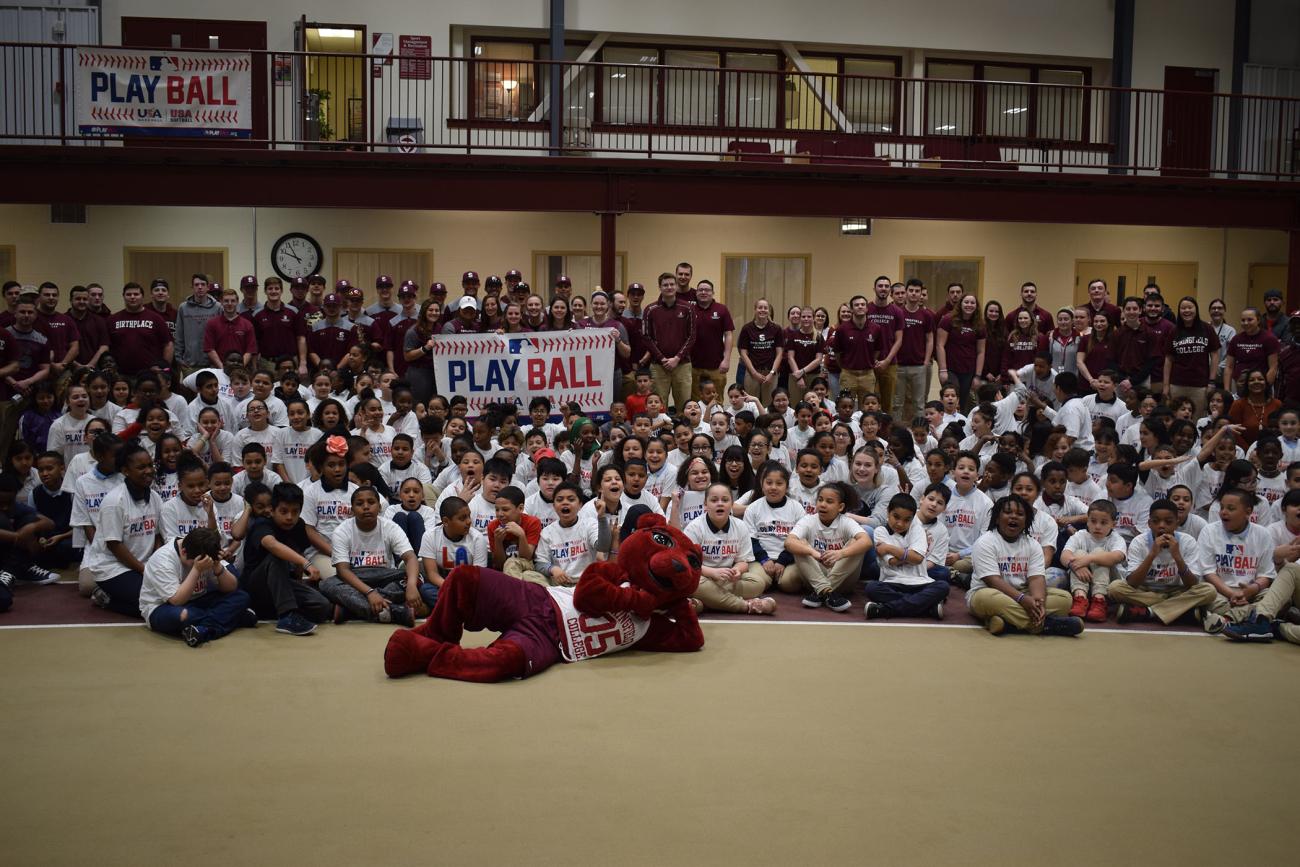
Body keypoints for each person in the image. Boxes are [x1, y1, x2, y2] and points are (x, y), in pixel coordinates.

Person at [967, 494, 1082, 636]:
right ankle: (1046, 625)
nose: (1014, 517)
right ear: (997, 518)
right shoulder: (985, 542)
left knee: (1065, 599)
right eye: (1008, 512)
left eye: (1020, 514)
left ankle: (1008, 624)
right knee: (986, 599)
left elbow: (1036, 578)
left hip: (1024, 591)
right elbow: (993, 581)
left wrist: (1038, 601)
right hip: (990, 591)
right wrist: (1022, 600)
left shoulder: (1033, 545)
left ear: (1027, 520)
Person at [320, 486, 430, 626]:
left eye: (371, 502)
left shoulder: (390, 527)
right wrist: (369, 593)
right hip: (356, 578)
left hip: (385, 576)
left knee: (417, 577)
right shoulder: (341, 531)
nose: (366, 507)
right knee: (327, 585)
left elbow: (410, 557)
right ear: (352, 510)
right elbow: (343, 571)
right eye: (360, 504)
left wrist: (411, 585)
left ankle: (349, 609)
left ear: (379, 507)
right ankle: (395, 612)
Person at [83, 444, 163, 617]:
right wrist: (143, 570)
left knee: (168, 594)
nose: (149, 470)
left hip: (144, 565)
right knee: (151, 601)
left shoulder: (155, 498)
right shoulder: (114, 501)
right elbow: (114, 545)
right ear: (126, 471)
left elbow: (157, 535)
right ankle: (106, 598)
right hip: (113, 567)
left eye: (150, 465)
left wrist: (156, 564)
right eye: (141, 467)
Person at [1108, 498, 1216, 625]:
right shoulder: (1139, 542)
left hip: (1178, 591)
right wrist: (1152, 554)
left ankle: (1149, 612)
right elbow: (1132, 583)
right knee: (1114, 588)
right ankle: (1181, 611)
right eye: (1156, 521)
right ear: (1149, 524)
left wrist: (1177, 556)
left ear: (1177, 523)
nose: (1162, 526)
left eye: (1168, 522)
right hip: (1146, 591)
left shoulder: (1188, 542)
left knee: (1209, 591)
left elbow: (1192, 584)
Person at [139, 527, 251, 647]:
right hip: (162, 607)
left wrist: (217, 566)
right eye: (195, 563)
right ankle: (228, 617)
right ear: (184, 552)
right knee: (184, 615)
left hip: (199, 600)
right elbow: (176, 601)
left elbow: (231, 587)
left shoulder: (205, 550)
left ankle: (204, 630)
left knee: (242, 596)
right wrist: (196, 569)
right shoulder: (163, 560)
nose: (204, 566)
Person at [684, 482, 775, 615]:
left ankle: (707, 601)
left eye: (725, 500)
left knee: (758, 583)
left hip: (726, 580)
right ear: (705, 505)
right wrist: (712, 573)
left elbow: (743, 561)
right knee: (694, 583)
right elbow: (689, 565)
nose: (720, 503)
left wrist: (736, 571)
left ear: (732, 504)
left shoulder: (740, 526)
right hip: (702, 577)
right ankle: (746, 605)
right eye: (714, 500)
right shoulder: (694, 528)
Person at [782, 481, 873, 613]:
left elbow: (867, 542)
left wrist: (841, 553)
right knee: (799, 543)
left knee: (857, 542)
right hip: (815, 574)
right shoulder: (808, 520)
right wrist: (813, 553)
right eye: (820, 500)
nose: (823, 504)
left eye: (829, 501)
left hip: (843, 580)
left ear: (840, 507)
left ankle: (821, 591)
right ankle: (827, 592)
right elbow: (788, 543)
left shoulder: (846, 521)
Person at [1197, 488, 1276, 635]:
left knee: (1277, 598)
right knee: (1205, 593)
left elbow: (1267, 574)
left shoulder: (1263, 534)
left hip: (1252, 592)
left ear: (1248, 512)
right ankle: (1254, 618)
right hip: (1220, 591)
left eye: (1231, 508)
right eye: (1222, 507)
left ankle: (1226, 619)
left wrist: (1251, 590)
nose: (1223, 512)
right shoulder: (1209, 531)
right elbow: (1208, 572)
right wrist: (1231, 594)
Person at [864, 492, 947, 620]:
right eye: (896, 517)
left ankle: (885, 609)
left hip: (920, 582)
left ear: (913, 518)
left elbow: (918, 559)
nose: (900, 524)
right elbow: (892, 561)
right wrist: (910, 554)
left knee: (942, 586)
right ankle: (926, 608)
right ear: (888, 512)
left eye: (906, 520)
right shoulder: (880, 531)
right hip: (892, 582)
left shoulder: (918, 530)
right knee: (872, 588)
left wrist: (888, 547)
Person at [1059, 499, 1126, 623]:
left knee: (1099, 553)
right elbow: (1064, 556)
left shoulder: (1116, 539)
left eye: (1103, 522)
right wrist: (1076, 566)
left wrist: (1089, 559)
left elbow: (1117, 557)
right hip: (1082, 580)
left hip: (1109, 585)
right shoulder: (1080, 535)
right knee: (1078, 553)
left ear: (1113, 524)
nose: (1097, 526)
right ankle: (1080, 598)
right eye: (1093, 521)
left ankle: (1099, 600)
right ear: (1087, 521)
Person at [642, 272, 696, 412]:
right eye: (665, 285)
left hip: (682, 365)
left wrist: (677, 358)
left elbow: (692, 336)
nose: (669, 287)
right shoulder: (650, 310)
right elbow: (646, 337)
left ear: (676, 286)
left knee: (685, 406)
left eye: (672, 284)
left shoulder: (688, 308)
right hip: (659, 366)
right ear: (660, 287)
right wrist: (662, 358)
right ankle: (660, 432)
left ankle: (683, 433)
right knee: (658, 406)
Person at [1162, 296, 1219, 417]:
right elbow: (1168, 359)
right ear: (1179, 310)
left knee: (1197, 418)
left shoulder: (1207, 329)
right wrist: (1166, 386)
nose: (1186, 310)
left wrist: (1212, 381)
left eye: (1190, 307)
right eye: (1183, 308)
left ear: (1196, 309)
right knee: (1177, 417)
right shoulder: (1174, 330)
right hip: (1177, 384)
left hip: (1200, 384)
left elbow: (1214, 355)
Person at [936, 293, 985, 413]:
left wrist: (977, 376)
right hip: (950, 369)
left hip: (968, 370)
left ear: (976, 306)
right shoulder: (948, 319)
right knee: (951, 398)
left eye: (972, 303)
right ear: (960, 304)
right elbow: (940, 345)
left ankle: (959, 428)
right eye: (966, 302)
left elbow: (981, 351)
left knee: (962, 402)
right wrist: (942, 370)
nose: (969, 305)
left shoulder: (979, 325)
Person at [833, 294, 884, 408]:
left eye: (862, 305)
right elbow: (837, 353)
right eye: (856, 305)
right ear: (851, 309)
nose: (860, 307)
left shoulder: (876, 328)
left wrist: (869, 361)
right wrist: (845, 367)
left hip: (868, 375)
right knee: (846, 408)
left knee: (867, 409)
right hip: (848, 375)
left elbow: (877, 350)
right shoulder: (842, 329)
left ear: (867, 308)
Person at [689, 280, 734, 401]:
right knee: (695, 401)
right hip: (693, 365)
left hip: (717, 365)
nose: (703, 292)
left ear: (713, 293)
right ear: (696, 293)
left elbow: (728, 334)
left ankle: (718, 420)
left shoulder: (722, 309)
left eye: (707, 290)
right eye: (700, 290)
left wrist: (727, 359)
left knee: (717, 399)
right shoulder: (690, 310)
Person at [737, 299, 785, 408]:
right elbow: (743, 353)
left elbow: (779, 353)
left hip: (770, 373)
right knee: (751, 404)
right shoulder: (747, 328)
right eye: (760, 307)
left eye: (765, 308)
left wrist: (772, 373)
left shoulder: (776, 329)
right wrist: (754, 373)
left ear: (769, 311)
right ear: (755, 310)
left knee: (769, 404)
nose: (762, 310)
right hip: (752, 372)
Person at [1223, 307, 1280, 393]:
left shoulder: (1269, 339)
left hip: (1260, 385)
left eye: (1250, 320)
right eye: (1243, 320)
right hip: (1239, 385)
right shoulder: (1236, 339)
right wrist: (1227, 390)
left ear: (1258, 320)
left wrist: (1265, 388)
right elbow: (1229, 367)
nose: (1246, 323)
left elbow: (1273, 368)